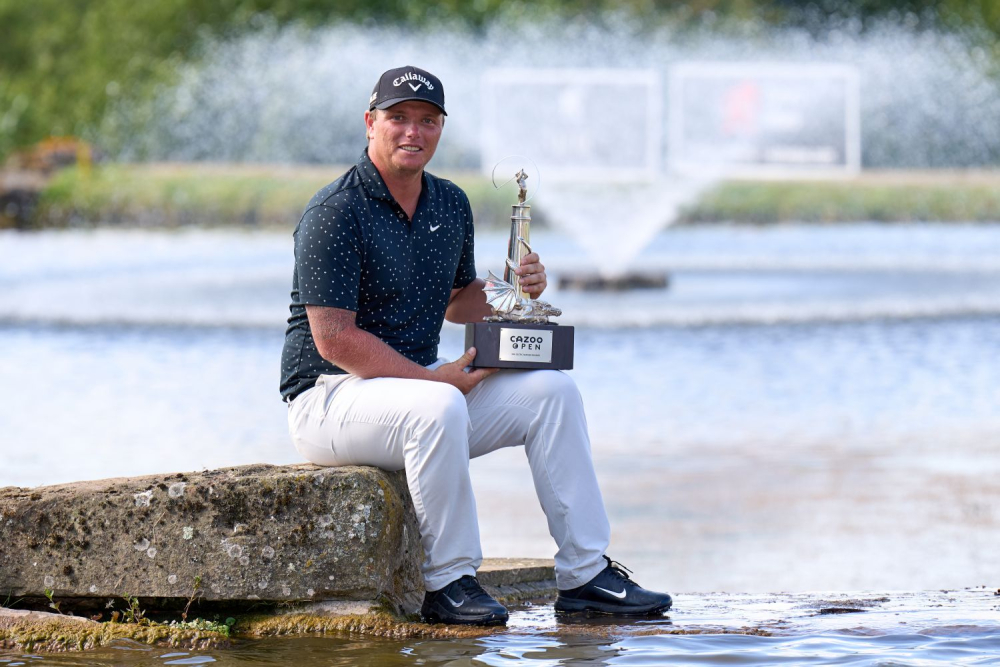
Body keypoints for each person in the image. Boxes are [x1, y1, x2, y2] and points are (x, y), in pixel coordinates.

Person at [280, 65, 672, 625]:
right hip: (328, 398)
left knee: (552, 392)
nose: (412, 132)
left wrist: (514, 290)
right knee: (437, 404)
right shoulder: (335, 210)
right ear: (371, 124)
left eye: (427, 121)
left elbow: (458, 301)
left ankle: (585, 577)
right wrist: (433, 380)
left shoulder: (448, 203)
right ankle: (449, 583)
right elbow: (334, 339)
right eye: (398, 119)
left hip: (413, 394)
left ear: (440, 129)